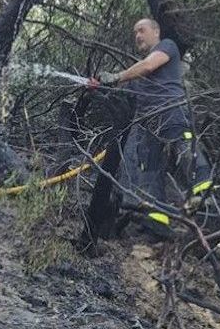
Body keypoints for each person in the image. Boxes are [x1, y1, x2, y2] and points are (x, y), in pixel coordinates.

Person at [89, 18, 212, 236]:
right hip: (149, 123)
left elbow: (147, 65)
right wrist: (101, 85)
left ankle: (207, 203)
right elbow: (126, 88)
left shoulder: (167, 46)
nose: (137, 35)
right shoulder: (139, 72)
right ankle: (157, 222)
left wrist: (116, 76)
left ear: (156, 31)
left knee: (186, 154)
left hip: (171, 113)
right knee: (150, 172)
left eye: (141, 30)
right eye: (135, 32)